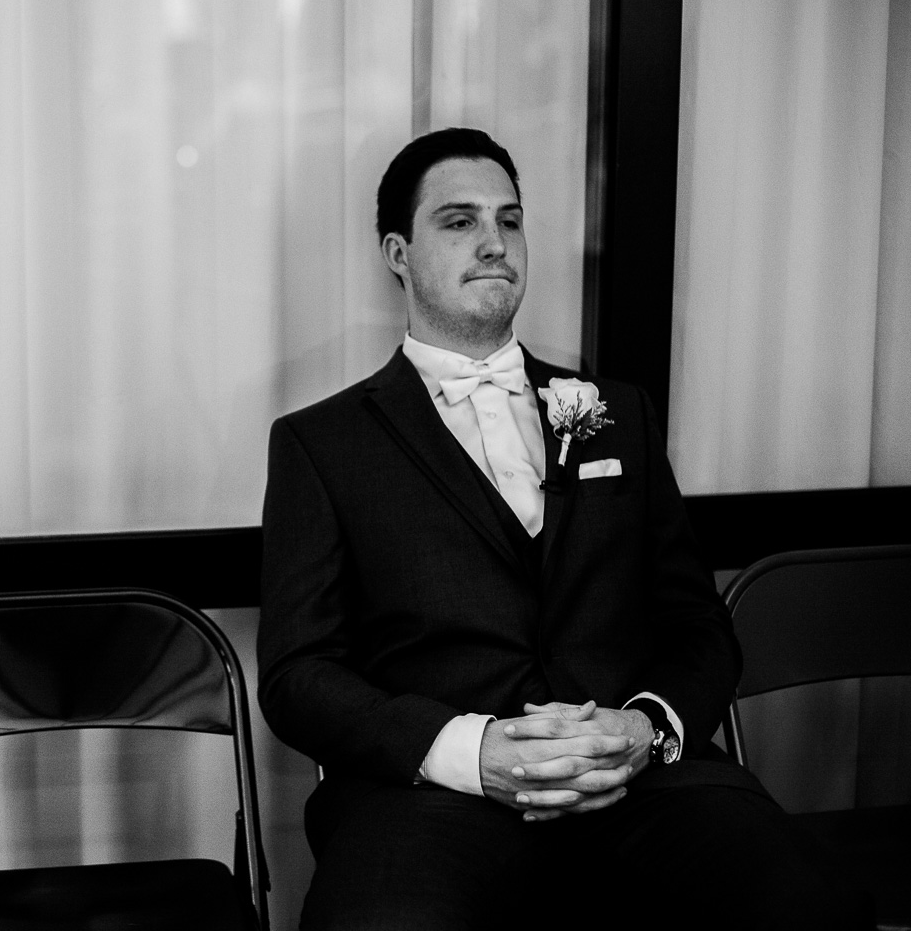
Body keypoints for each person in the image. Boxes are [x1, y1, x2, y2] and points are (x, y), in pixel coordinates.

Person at [257, 128, 869, 929]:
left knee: (805, 907)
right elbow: (297, 674)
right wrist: (466, 750)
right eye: (458, 221)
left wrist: (644, 728)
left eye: (509, 221)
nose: (493, 243)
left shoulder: (615, 413)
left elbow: (696, 625)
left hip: (642, 786)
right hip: (427, 801)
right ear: (397, 253)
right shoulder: (321, 444)